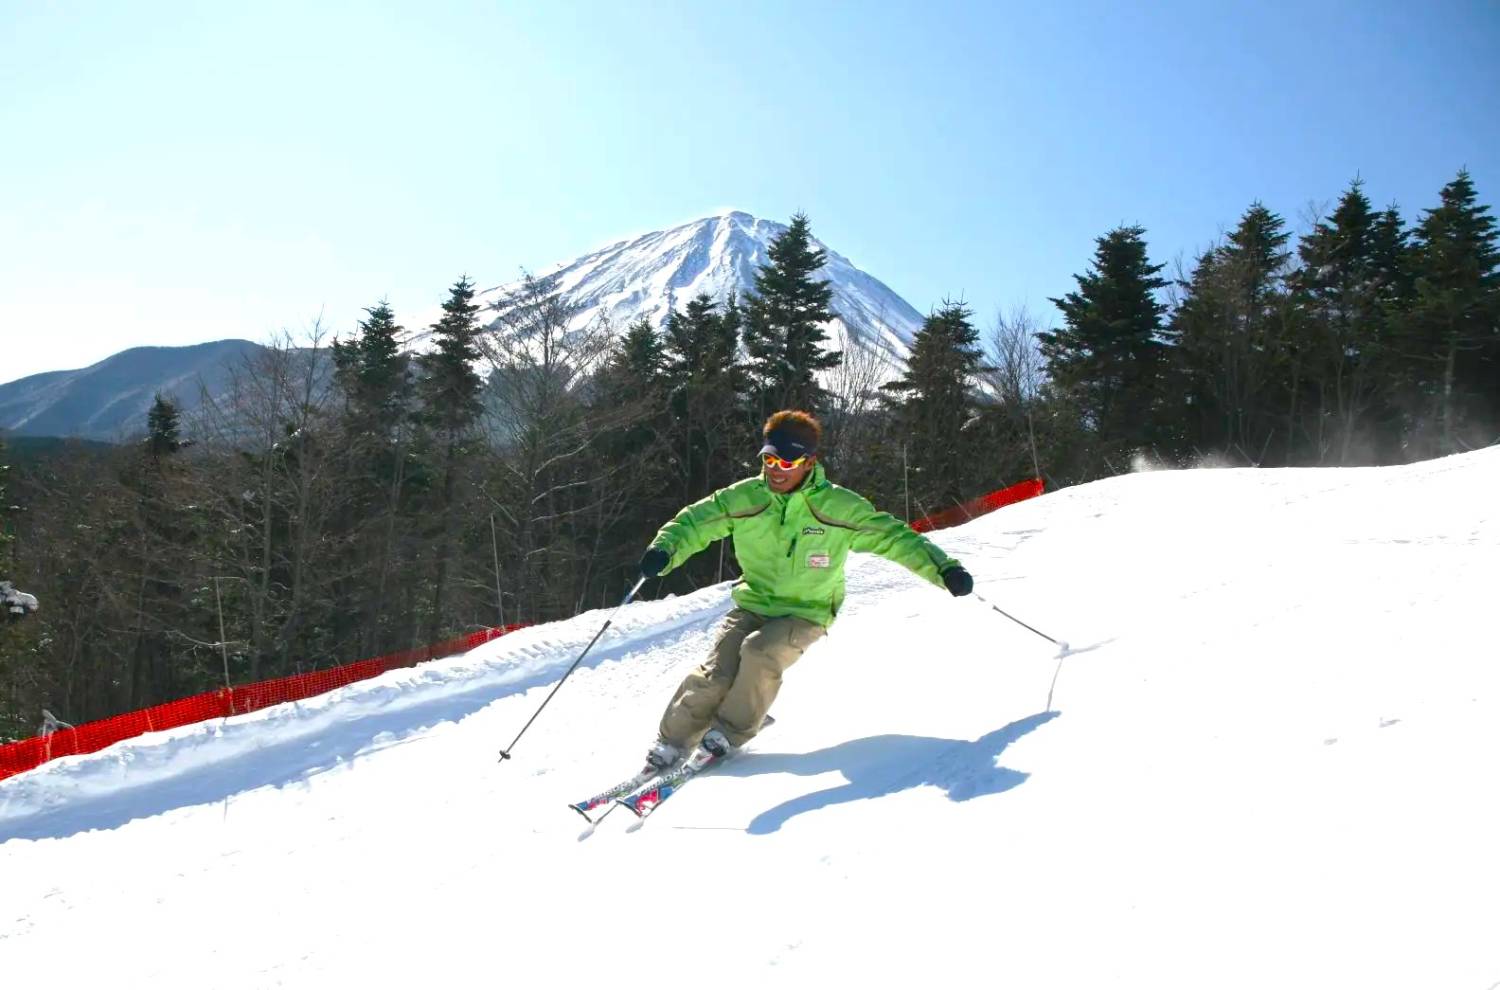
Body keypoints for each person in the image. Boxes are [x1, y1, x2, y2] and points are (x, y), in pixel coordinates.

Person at [637, 409, 973, 767]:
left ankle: (730, 731)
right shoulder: (746, 498)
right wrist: (666, 549)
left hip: (807, 610)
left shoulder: (838, 507)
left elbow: (895, 538)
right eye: (769, 459)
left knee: (760, 652)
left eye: (787, 461)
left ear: (809, 462)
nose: (776, 470)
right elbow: (695, 521)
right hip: (754, 602)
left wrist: (945, 570)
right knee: (716, 674)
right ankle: (672, 741)